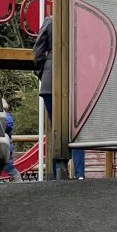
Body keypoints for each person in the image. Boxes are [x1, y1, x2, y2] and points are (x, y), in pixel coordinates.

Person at [32, 13, 84, 178]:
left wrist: (42, 73)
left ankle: (56, 173)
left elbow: (38, 51)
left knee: (57, 127)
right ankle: (79, 173)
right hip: (75, 80)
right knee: (76, 128)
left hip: (50, 81)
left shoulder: (50, 21)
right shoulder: (80, 19)